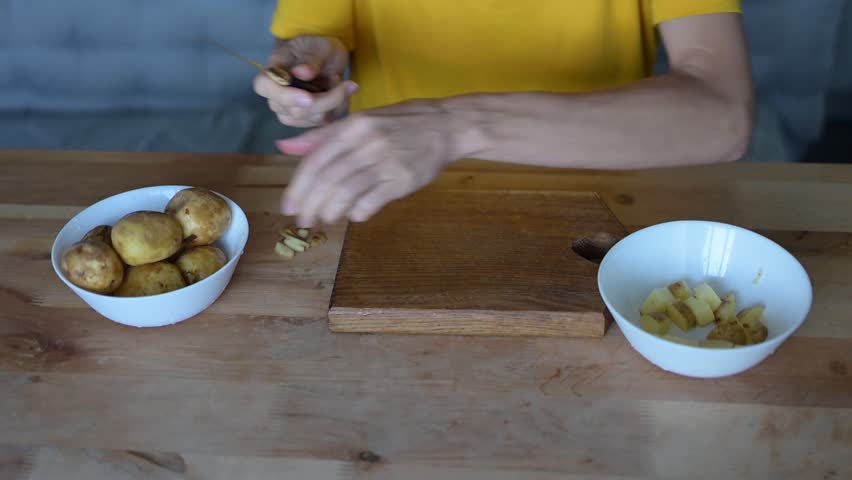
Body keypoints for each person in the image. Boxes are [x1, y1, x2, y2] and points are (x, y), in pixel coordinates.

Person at [254, 1, 753, 227]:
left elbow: (722, 117)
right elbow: (310, 39)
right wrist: (308, 68)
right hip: (391, 204)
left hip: (601, 215)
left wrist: (453, 127)